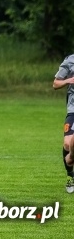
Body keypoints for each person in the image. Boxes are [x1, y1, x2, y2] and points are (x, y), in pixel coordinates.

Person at [53, 54, 74, 193]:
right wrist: (69, 80)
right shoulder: (70, 60)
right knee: (67, 144)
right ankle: (70, 176)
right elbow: (55, 84)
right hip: (73, 110)